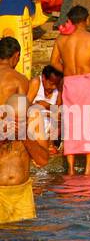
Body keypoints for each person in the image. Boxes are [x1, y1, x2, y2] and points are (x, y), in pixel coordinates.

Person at [51, 6, 90, 175]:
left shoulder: (61, 39)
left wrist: (68, 69)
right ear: (87, 20)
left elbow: (53, 62)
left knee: (71, 121)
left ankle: (70, 168)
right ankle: (88, 167)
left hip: (70, 81)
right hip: (88, 82)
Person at [0, 86, 53, 224]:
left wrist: (25, 137)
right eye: (13, 120)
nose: (16, 124)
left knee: (25, 238)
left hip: (22, 194)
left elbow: (43, 161)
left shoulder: (34, 125)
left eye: (21, 121)